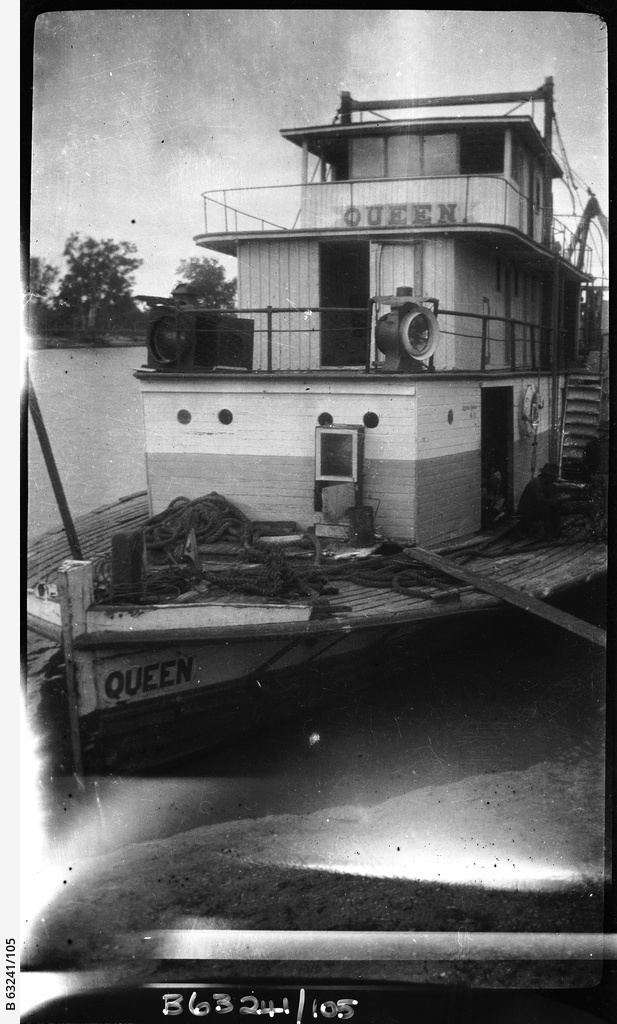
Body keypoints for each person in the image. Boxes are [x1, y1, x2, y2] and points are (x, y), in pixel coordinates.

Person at [517, 463, 562, 540]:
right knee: (546, 509)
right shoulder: (536, 483)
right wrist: (556, 500)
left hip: (534, 509)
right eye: (552, 477)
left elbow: (551, 496)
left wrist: (558, 499)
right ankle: (549, 535)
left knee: (555, 507)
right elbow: (541, 502)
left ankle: (557, 532)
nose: (554, 479)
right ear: (547, 476)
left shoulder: (546, 483)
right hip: (526, 512)